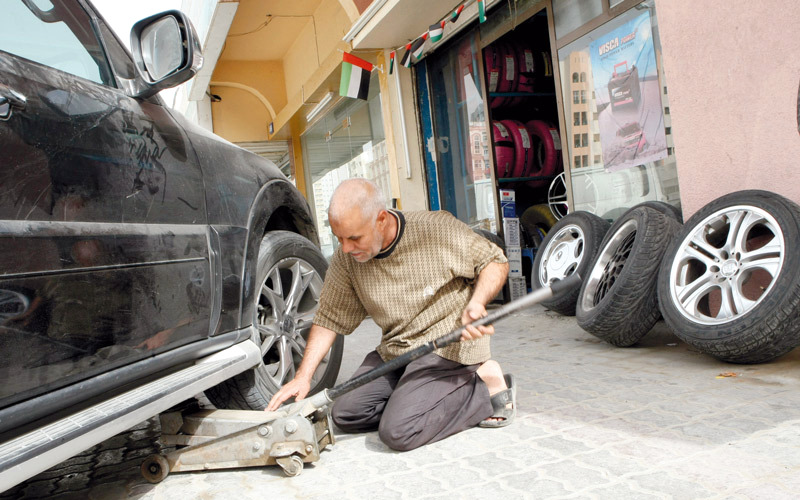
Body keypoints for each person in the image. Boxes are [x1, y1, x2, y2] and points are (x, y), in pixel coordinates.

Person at [267, 178, 515, 451]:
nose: (346, 248)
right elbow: (329, 318)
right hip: (397, 351)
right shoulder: (346, 259)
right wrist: (303, 377)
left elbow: (494, 260)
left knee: (399, 431)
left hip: (447, 347)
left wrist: (477, 303)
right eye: (339, 238)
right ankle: (414, 399)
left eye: (354, 238)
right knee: (346, 414)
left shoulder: (436, 230)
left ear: (381, 219)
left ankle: (484, 385)